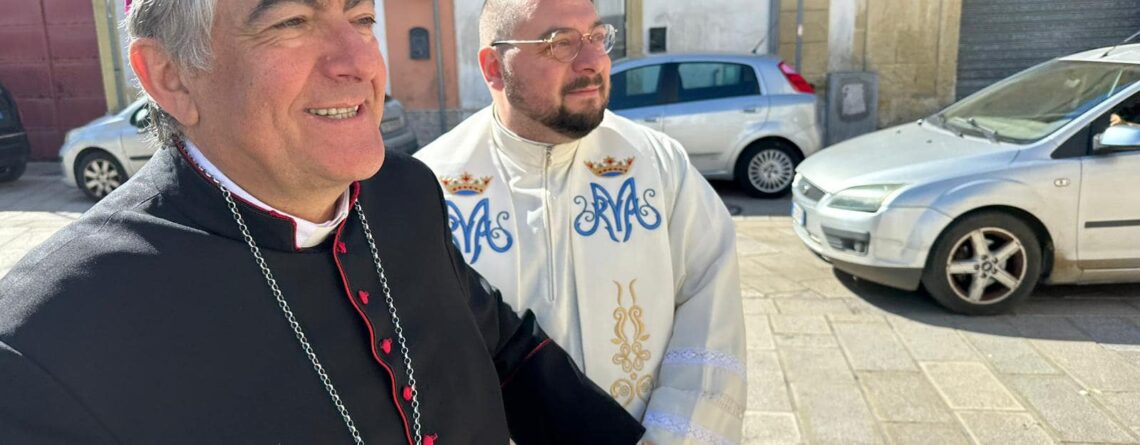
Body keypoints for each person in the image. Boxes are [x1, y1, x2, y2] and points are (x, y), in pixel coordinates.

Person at [0, 0, 646, 443]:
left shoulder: (403, 191)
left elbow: (500, 346)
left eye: (362, 17)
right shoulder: (45, 344)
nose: (358, 62)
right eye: (291, 21)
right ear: (169, 77)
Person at [414, 0, 746, 443]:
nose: (593, 62)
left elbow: (710, 307)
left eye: (596, 36)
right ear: (494, 67)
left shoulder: (658, 164)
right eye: (560, 44)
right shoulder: (432, 188)